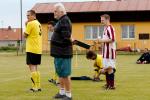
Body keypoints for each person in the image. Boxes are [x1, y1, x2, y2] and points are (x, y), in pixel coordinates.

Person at [51, 3, 73, 100]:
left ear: (61, 11)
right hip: (59, 53)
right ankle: (62, 92)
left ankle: (68, 95)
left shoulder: (64, 21)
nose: (54, 13)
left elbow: (66, 38)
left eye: (55, 11)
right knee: (60, 73)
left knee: (65, 74)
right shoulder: (60, 21)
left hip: (64, 53)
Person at [24, 10, 42, 92]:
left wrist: (26, 25)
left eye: (28, 15)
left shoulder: (30, 23)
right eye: (27, 15)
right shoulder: (38, 23)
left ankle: (34, 87)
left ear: (33, 16)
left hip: (31, 49)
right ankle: (38, 86)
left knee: (32, 68)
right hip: (38, 49)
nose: (27, 17)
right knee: (36, 68)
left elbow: (25, 35)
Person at [98, 14, 116, 90]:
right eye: (101, 20)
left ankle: (112, 85)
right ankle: (108, 84)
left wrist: (102, 40)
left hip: (110, 51)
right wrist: (100, 44)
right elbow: (105, 40)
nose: (101, 21)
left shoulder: (110, 28)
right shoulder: (105, 28)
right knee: (106, 67)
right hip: (105, 52)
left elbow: (112, 39)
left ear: (107, 19)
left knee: (110, 68)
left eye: (102, 20)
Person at [47, 21, 59, 85]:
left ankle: (57, 81)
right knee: (56, 67)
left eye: (50, 27)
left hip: (58, 53)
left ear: (54, 26)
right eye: (48, 28)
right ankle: (54, 79)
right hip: (55, 53)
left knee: (58, 67)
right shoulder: (54, 33)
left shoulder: (57, 33)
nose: (49, 29)